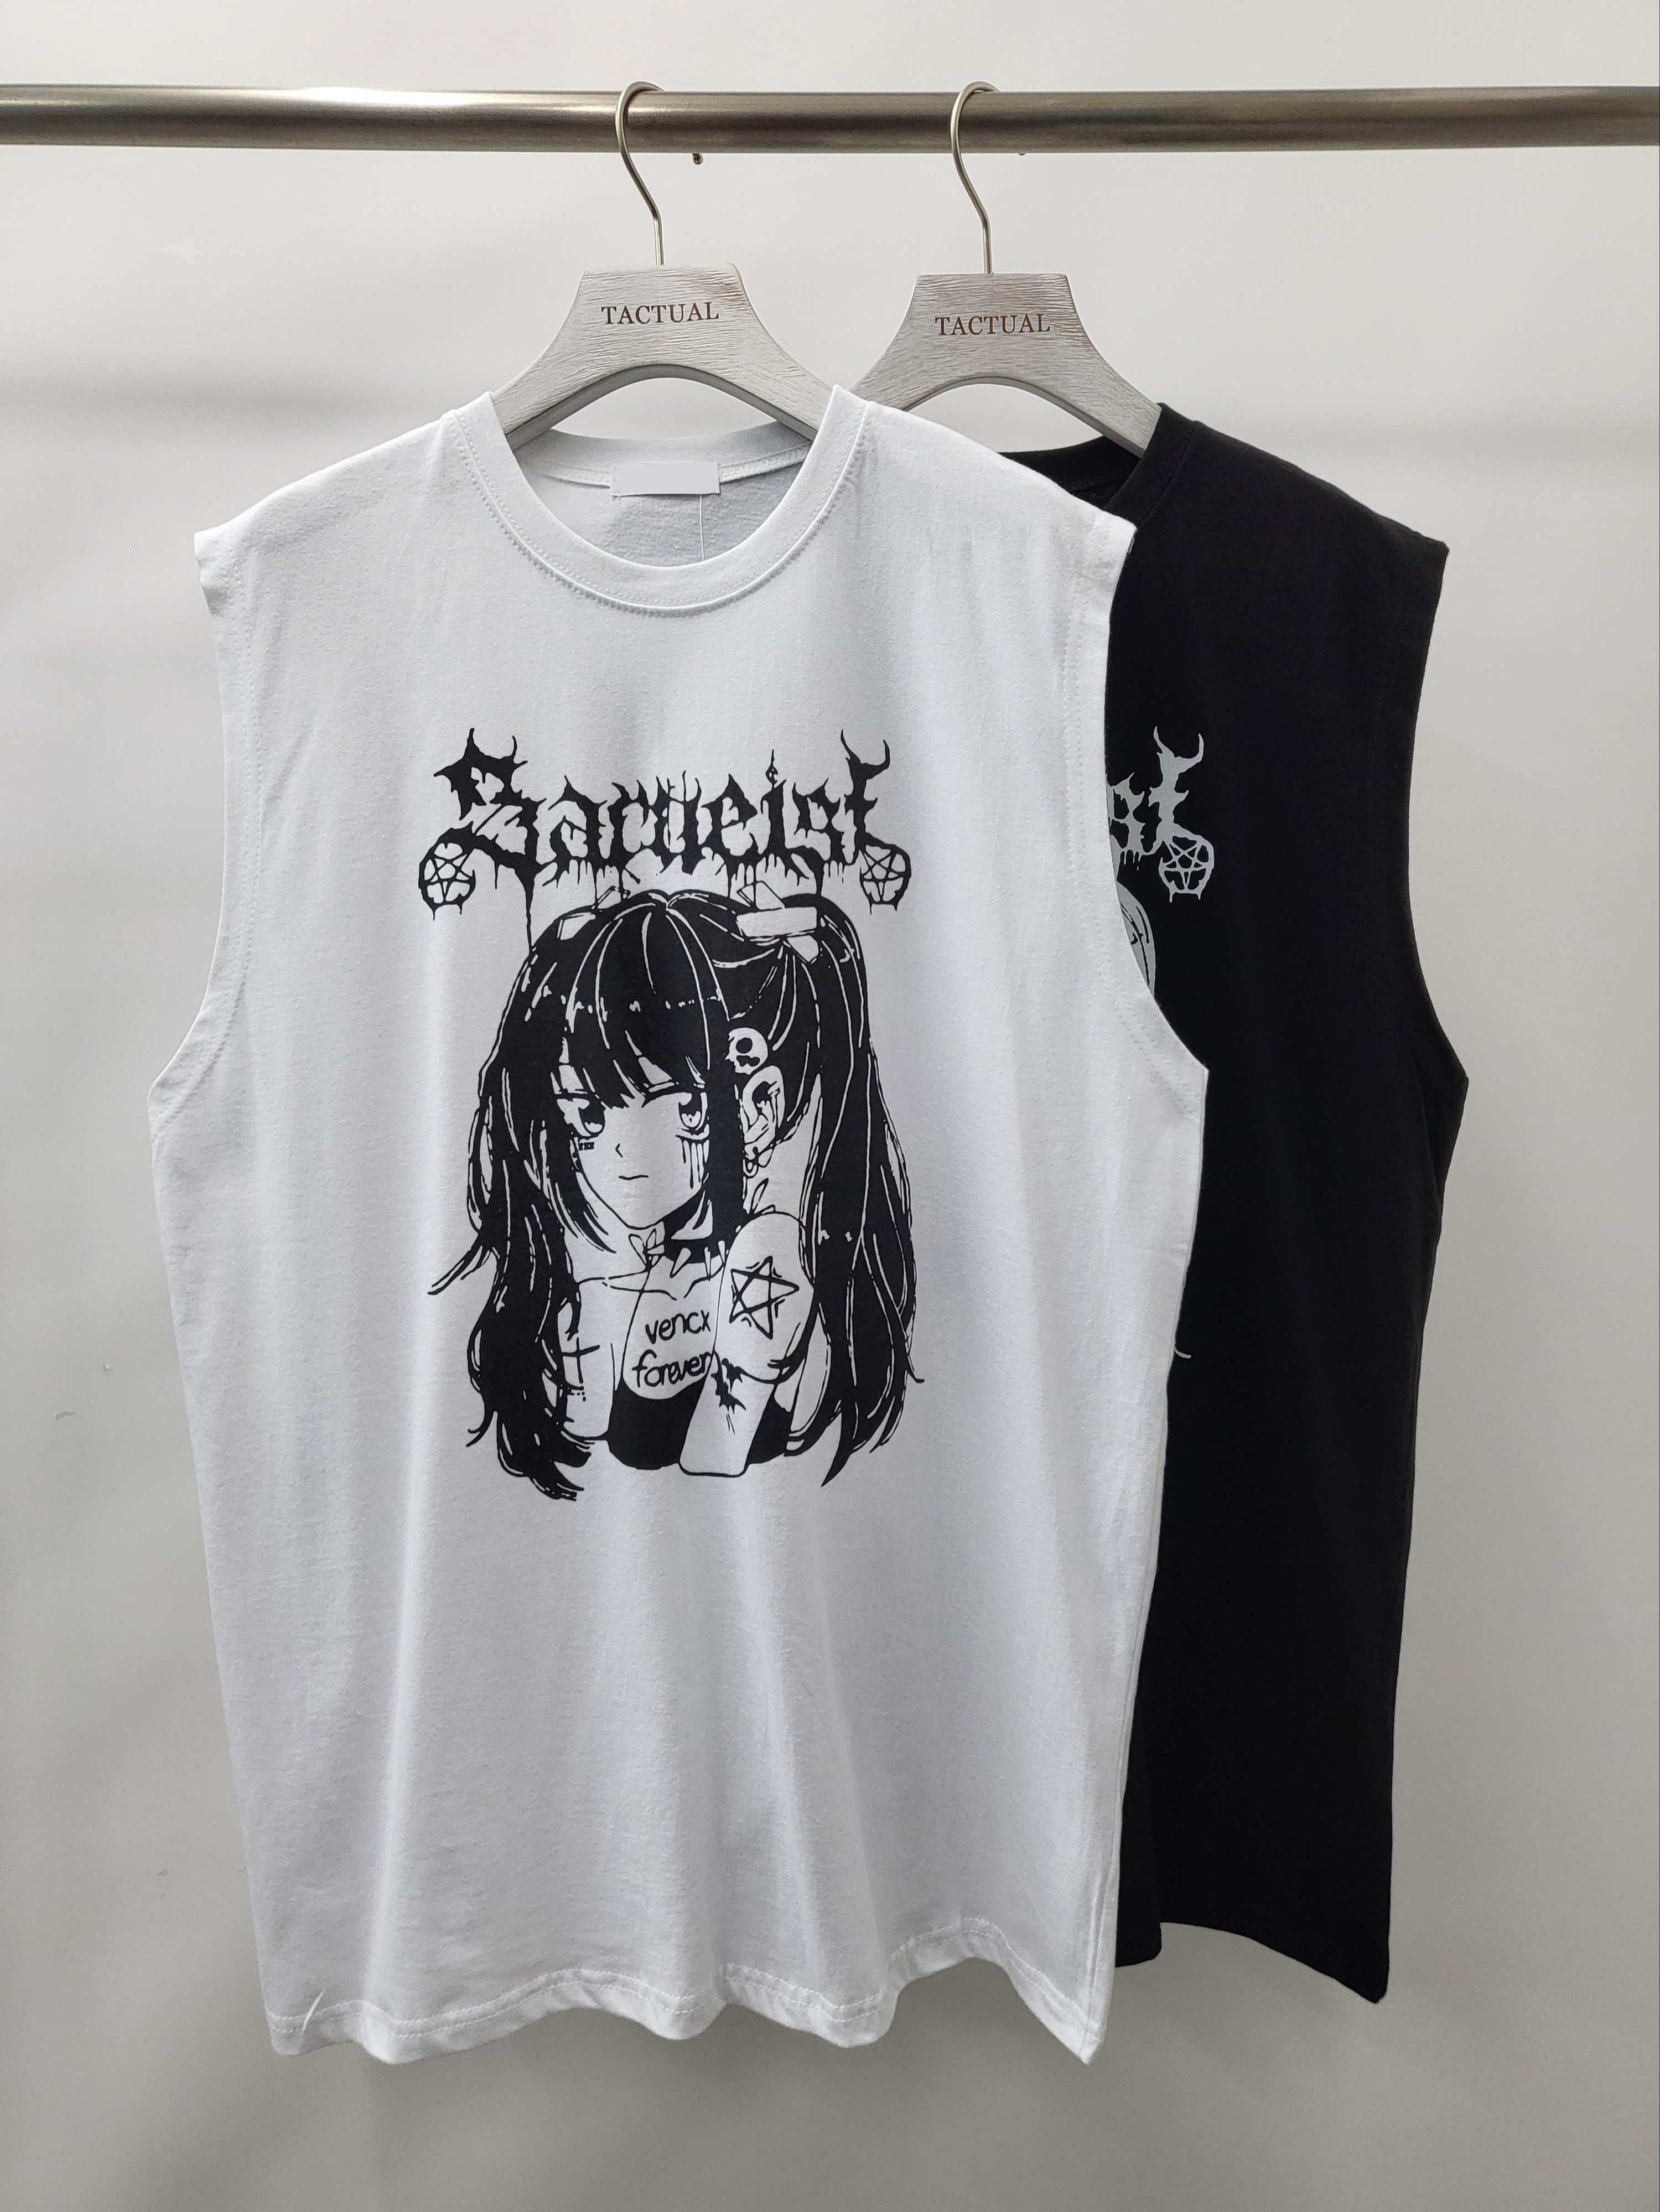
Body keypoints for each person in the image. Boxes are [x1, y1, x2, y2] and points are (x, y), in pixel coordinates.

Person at [438, 884, 916, 1495]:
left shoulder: (768, 1261)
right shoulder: (617, 1284)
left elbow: (711, 1458)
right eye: (587, 1111)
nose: (617, 1148)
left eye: (679, 1102)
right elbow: (589, 1435)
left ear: (757, 1108)